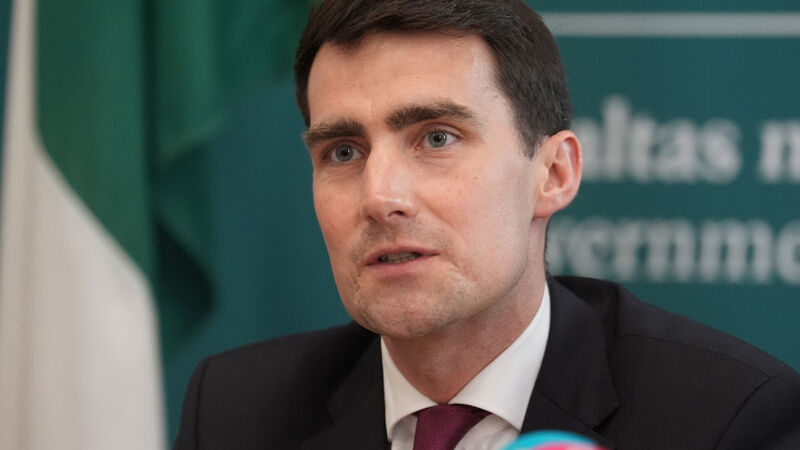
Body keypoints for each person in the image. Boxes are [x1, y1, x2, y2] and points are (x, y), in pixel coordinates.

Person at [173, 1, 800, 449]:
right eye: (343, 151)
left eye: (436, 138)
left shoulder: (727, 419)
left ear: (553, 174)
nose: (380, 197)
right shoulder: (236, 414)